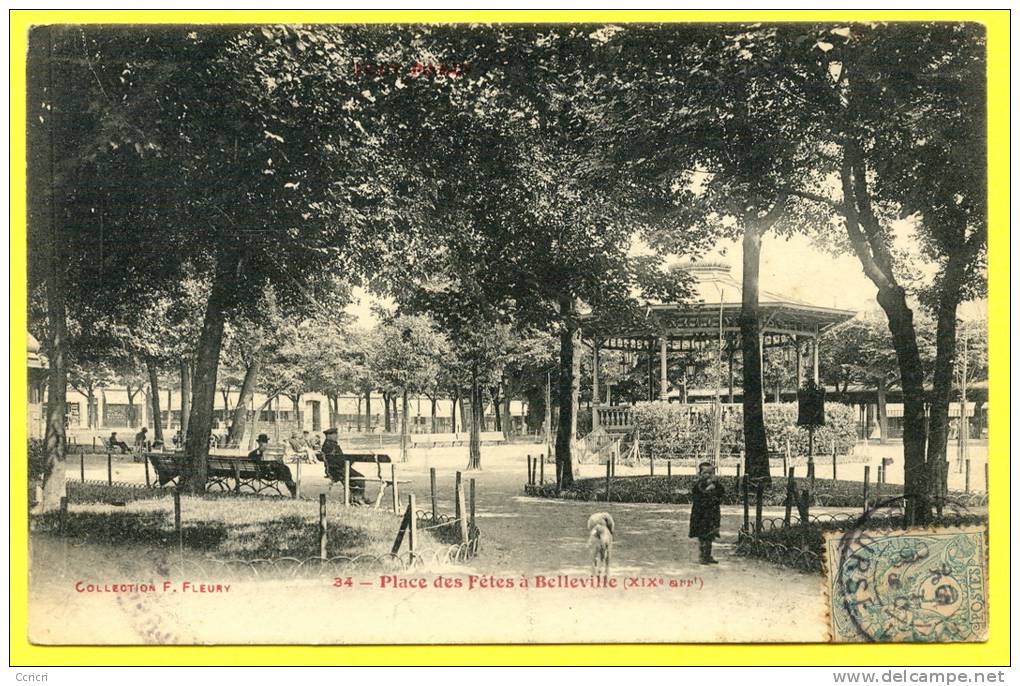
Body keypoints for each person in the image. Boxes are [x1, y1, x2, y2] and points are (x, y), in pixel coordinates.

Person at [689, 461, 725, 565]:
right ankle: (702, 556)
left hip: (712, 514)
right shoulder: (698, 486)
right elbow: (698, 498)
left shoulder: (716, 485)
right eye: (705, 473)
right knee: (702, 536)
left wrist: (716, 486)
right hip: (700, 515)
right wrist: (707, 490)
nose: (708, 475)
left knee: (710, 535)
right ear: (699, 474)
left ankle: (708, 555)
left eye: (711, 473)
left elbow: (722, 493)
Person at [320, 427, 368, 503]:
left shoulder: (328, 445)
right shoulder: (331, 446)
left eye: (336, 434)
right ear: (329, 436)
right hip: (338, 470)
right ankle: (358, 498)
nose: (336, 436)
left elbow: (337, 459)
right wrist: (350, 461)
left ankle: (356, 498)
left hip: (336, 469)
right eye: (334, 434)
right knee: (360, 478)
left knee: (356, 479)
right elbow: (338, 460)